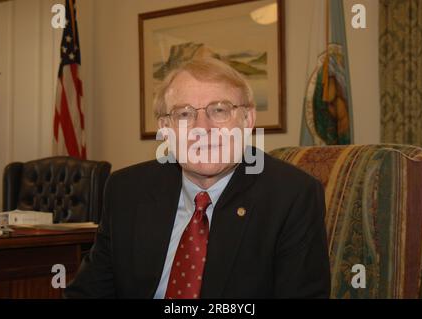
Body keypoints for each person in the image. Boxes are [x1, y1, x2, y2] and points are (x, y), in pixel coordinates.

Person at [64, 57, 330, 298]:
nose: (202, 129)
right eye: (184, 114)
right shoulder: (126, 191)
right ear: (165, 130)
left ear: (247, 120)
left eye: (220, 110)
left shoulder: (292, 196)